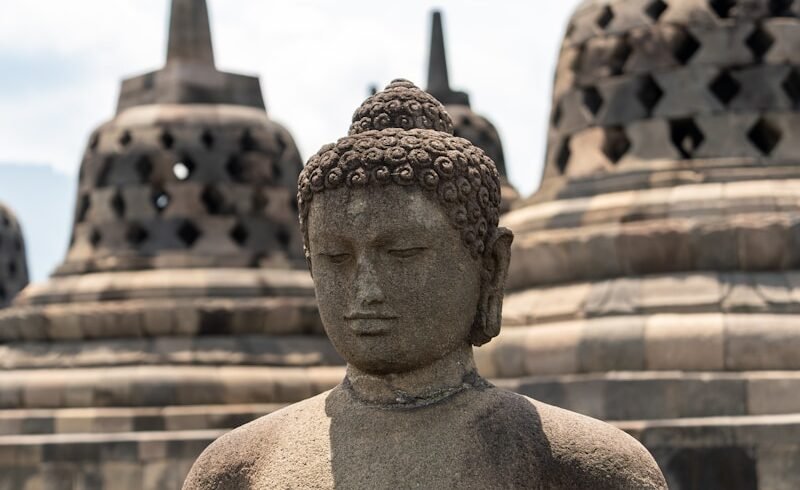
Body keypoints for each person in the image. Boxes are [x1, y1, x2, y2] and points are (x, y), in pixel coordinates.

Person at [183, 80, 667, 490]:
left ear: (491, 267)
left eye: (403, 254)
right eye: (335, 258)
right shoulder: (236, 470)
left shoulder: (582, 469)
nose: (365, 289)